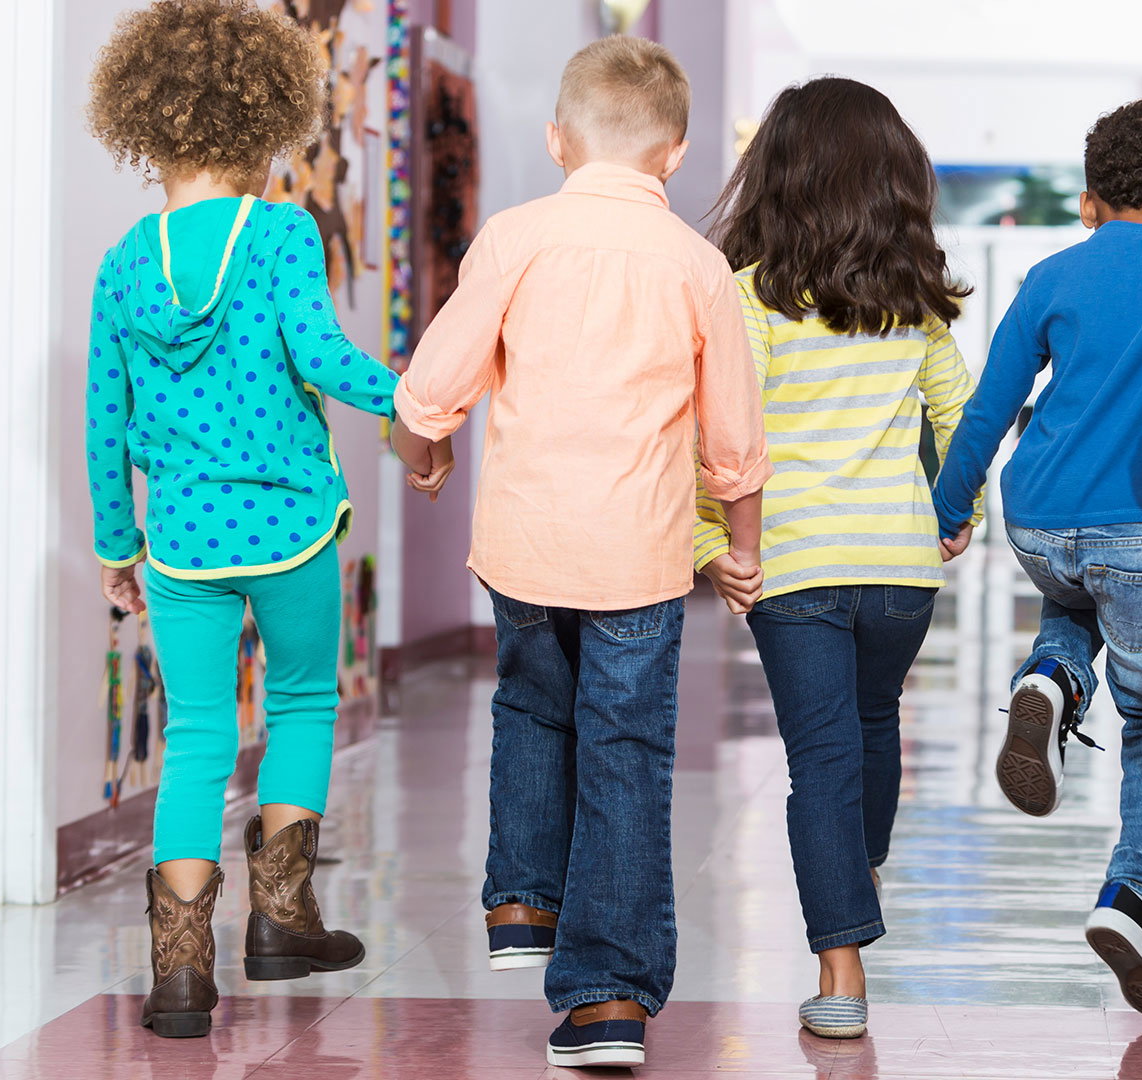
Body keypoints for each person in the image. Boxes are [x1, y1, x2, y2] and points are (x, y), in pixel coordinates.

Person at [391, 35, 770, 1070]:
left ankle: (520, 902)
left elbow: (432, 383)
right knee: (626, 752)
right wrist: (742, 552)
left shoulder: (514, 239)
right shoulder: (698, 268)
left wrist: (423, 450)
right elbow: (732, 439)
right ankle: (607, 1001)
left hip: (524, 542)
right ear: (675, 154)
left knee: (529, 705)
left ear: (558, 139)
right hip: (637, 555)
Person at [83, 0, 425, 1040]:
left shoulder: (125, 262)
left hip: (180, 540)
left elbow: (106, 418)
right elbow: (320, 358)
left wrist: (116, 542)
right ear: (268, 116)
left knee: (195, 736)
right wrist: (414, 404)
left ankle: (180, 978)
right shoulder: (282, 232)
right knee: (306, 701)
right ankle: (280, 922)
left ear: (145, 120)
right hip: (290, 528)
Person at [698, 77, 977, 1042]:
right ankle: (856, 870)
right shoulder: (914, 304)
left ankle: (842, 970)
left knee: (820, 761)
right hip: (901, 571)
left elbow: (725, 441)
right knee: (872, 724)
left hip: (796, 568)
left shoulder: (749, 299)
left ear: (777, 178)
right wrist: (954, 508)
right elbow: (964, 415)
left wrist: (711, 545)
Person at [930, 95, 1142, 1022]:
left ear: (1090, 200)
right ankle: (1137, 892)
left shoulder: (1053, 274)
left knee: (1077, 604)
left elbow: (986, 404)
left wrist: (949, 506)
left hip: (1040, 517)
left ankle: (1051, 677)